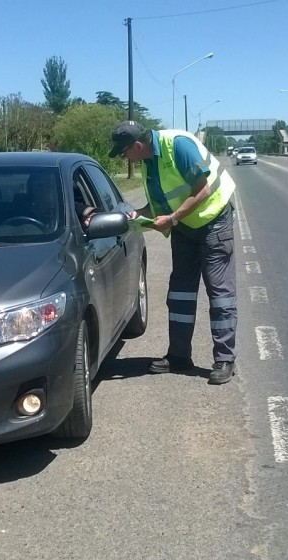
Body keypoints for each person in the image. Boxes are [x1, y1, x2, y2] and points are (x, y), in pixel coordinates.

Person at [109, 120, 239, 385]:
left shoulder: (179, 145)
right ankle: (179, 356)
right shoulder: (148, 162)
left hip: (214, 220)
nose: (125, 159)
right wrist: (135, 216)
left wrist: (173, 218)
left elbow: (202, 188)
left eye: (124, 153)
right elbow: (159, 206)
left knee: (219, 294)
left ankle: (224, 360)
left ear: (137, 145)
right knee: (180, 292)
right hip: (184, 227)